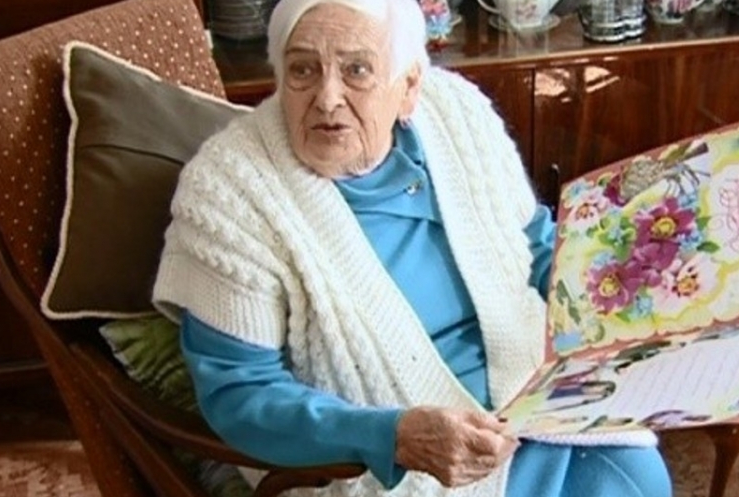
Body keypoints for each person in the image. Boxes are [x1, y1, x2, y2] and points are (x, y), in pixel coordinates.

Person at [153, 0, 671, 496]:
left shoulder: (455, 111)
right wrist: (391, 436)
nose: (327, 97)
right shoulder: (230, 191)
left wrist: (620, 287)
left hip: (531, 398)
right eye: (303, 70)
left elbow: (530, 241)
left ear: (408, 88)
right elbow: (240, 393)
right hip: (383, 459)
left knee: (635, 476)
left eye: (357, 70)